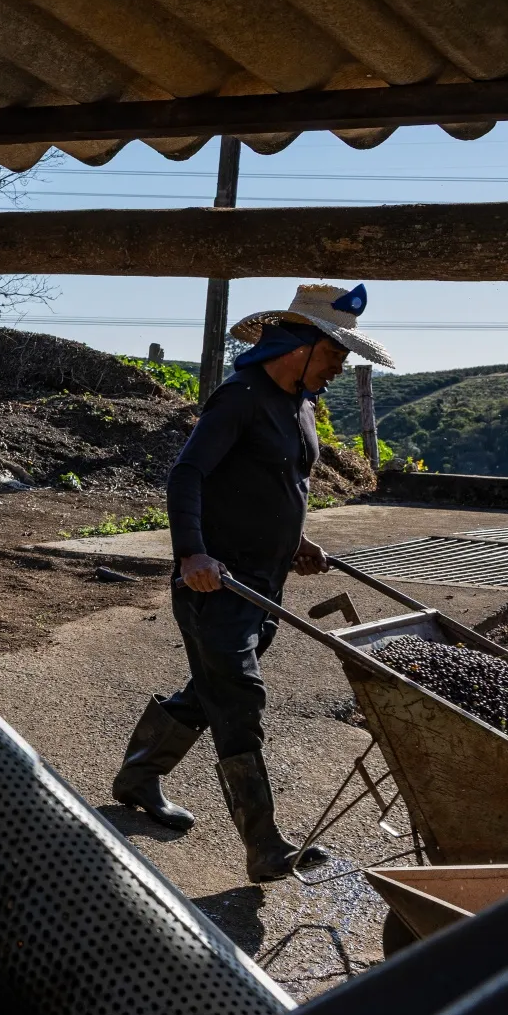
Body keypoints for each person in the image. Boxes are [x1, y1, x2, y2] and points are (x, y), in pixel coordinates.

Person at [109, 283, 395, 882]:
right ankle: (265, 845)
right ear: (299, 346)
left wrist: (295, 544)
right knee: (238, 699)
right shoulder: (238, 399)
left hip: (262, 586)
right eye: (336, 354)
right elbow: (187, 476)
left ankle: (138, 775)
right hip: (215, 585)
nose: (341, 368)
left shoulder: (301, 404)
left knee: (213, 689)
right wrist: (192, 554)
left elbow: (277, 487)